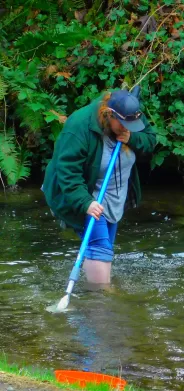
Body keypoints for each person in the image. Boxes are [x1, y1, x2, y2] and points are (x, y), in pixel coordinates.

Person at [43, 88, 156, 285]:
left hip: (114, 195)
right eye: (121, 125)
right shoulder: (79, 126)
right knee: (100, 247)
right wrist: (85, 202)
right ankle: (102, 302)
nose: (126, 128)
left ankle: (91, 296)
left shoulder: (130, 112)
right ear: (108, 114)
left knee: (104, 248)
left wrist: (133, 138)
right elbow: (67, 173)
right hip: (81, 192)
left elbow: (150, 140)